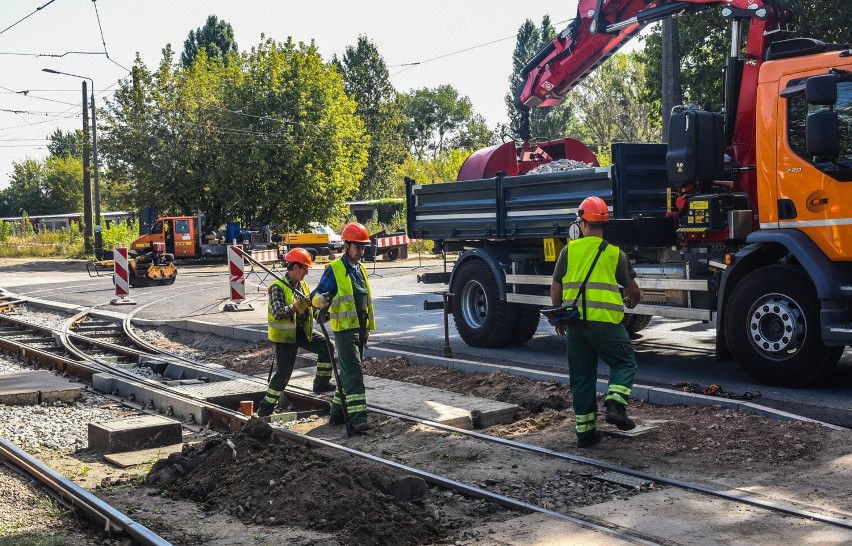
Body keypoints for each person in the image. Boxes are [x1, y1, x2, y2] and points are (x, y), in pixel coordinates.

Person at [550, 196, 642, 448]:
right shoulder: (615, 254)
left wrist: (559, 315)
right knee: (624, 362)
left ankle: (585, 434)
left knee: (581, 378)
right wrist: (631, 302)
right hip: (606, 325)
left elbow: (556, 285)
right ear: (604, 224)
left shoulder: (569, 250)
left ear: (582, 222)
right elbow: (633, 290)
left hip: (575, 325)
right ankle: (615, 404)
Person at [311, 222, 375, 433]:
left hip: (360, 329)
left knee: (347, 373)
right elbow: (315, 296)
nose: (361, 251)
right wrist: (321, 301)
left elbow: (365, 303)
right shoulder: (335, 270)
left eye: (364, 247)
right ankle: (358, 419)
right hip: (345, 331)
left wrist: (366, 330)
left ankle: (337, 413)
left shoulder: (361, 269)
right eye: (358, 247)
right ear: (346, 245)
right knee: (354, 373)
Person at [258, 247, 334, 418]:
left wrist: (320, 313)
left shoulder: (304, 286)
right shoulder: (278, 287)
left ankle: (321, 384)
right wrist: (295, 307)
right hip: (286, 337)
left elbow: (309, 307)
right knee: (284, 374)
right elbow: (278, 312)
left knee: (327, 346)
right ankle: (265, 408)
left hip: (302, 332)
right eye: (305, 268)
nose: (307, 273)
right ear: (295, 267)